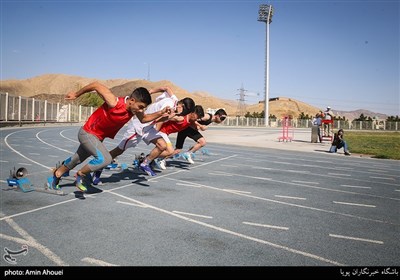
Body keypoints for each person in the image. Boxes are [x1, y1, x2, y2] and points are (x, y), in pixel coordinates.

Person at [47, 82, 170, 192]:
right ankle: (81, 175)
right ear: (132, 100)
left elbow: (144, 119)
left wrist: (160, 113)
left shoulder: (135, 110)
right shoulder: (114, 102)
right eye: (141, 107)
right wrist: (76, 94)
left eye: (144, 108)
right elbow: (96, 85)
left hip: (97, 138)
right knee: (105, 159)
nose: (141, 110)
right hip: (87, 133)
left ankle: (56, 175)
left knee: (76, 159)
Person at [91, 86, 195, 182]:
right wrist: (170, 117)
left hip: (149, 128)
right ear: (182, 105)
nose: (182, 114)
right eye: (183, 112)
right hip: (139, 127)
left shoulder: (175, 100)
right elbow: (159, 119)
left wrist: (151, 91)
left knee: (162, 145)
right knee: (119, 150)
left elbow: (167, 88)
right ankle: (99, 167)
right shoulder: (169, 106)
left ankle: (145, 163)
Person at [146, 105, 205, 174]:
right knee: (170, 151)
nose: (197, 119)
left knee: (169, 151)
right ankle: (147, 159)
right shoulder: (181, 118)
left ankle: (149, 158)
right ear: (193, 113)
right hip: (162, 132)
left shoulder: (191, 121)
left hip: (165, 133)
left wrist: (200, 126)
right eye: (197, 116)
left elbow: (196, 125)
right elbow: (165, 117)